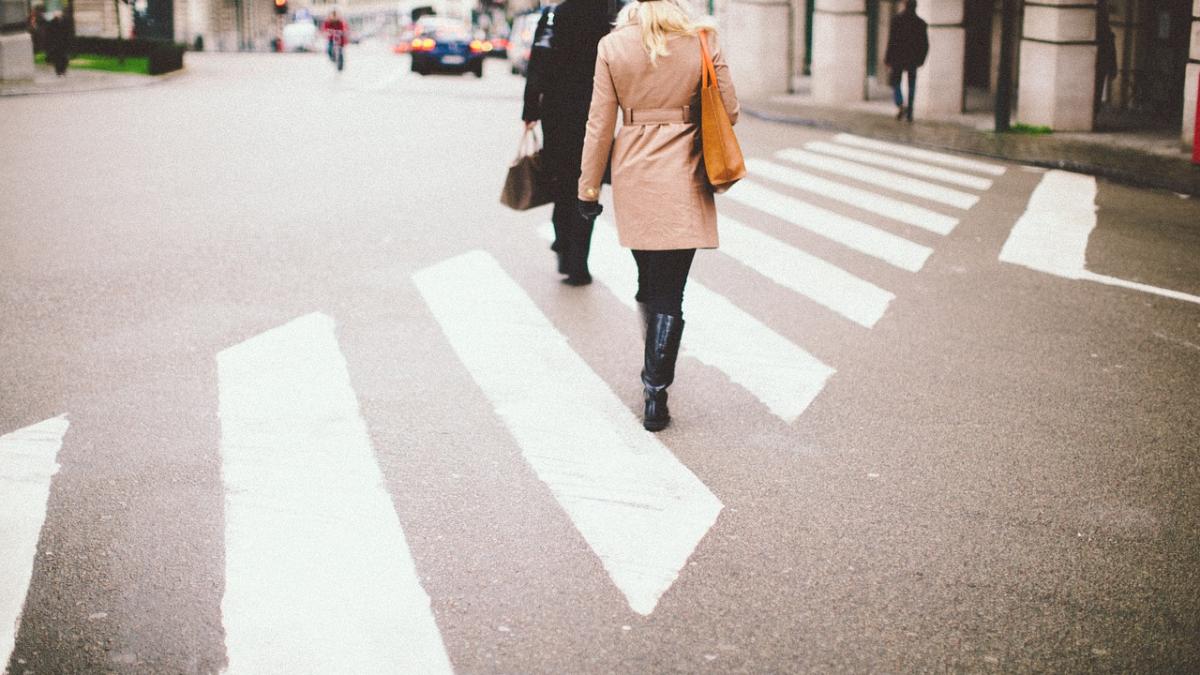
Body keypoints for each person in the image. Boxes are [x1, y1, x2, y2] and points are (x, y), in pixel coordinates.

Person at [576, 0, 738, 431]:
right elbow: (730, 110)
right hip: (685, 173)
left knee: (648, 282)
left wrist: (588, 188)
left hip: (634, 173)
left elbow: (599, 123)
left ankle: (654, 378)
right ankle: (656, 390)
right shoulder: (702, 41)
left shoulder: (612, 46)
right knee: (673, 290)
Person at [521, 0, 613, 286]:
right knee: (587, 186)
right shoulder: (608, 14)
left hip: (557, 113)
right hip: (596, 113)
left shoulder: (554, 15)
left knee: (562, 183)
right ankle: (579, 263)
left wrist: (530, 110)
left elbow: (537, 63)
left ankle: (563, 244)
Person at [884, 0, 928, 122]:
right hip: (913, 59)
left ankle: (900, 103)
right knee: (911, 85)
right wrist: (921, 59)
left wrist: (888, 58)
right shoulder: (921, 23)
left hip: (898, 57)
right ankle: (910, 111)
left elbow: (891, 41)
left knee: (895, 82)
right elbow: (924, 44)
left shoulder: (897, 21)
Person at [44, 11, 70, 77]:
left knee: (65, 59)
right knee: (58, 59)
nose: (59, 15)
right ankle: (59, 72)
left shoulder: (65, 21)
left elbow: (67, 32)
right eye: (57, 15)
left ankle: (63, 71)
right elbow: (49, 34)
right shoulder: (52, 23)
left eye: (60, 14)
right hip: (56, 44)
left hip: (63, 43)